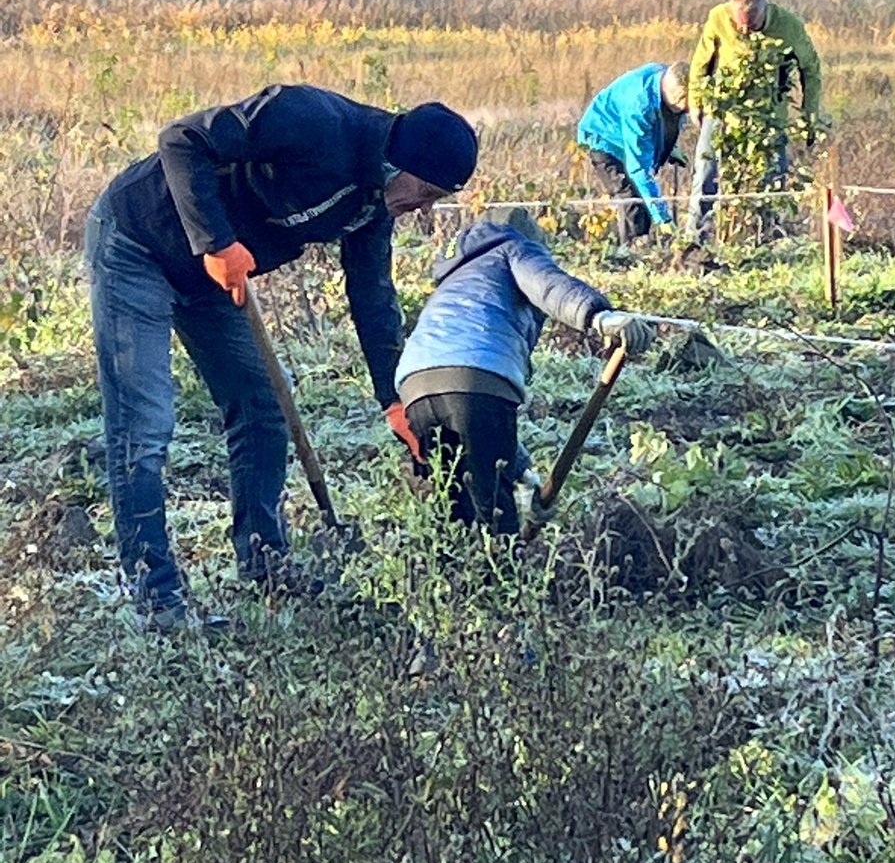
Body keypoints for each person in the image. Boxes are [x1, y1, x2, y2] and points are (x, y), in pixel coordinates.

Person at [84, 83, 478, 629]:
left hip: (211, 281)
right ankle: (158, 601)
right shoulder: (310, 119)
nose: (423, 207)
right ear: (399, 162)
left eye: (438, 200)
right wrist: (216, 241)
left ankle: (264, 561)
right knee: (144, 423)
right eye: (427, 191)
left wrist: (395, 398)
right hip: (138, 241)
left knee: (266, 407)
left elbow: (372, 297)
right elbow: (182, 140)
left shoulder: (372, 207)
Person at [395, 207, 655, 537]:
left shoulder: (455, 278)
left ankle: (457, 585)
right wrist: (600, 317)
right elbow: (548, 286)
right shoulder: (513, 247)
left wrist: (523, 474)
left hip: (415, 388)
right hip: (477, 377)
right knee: (495, 516)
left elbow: (481, 427)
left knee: (453, 515)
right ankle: (503, 581)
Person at [686, 0, 822, 241]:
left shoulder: (789, 26)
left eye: (753, 23)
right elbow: (700, 63)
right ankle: (695, 238)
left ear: (764, 11)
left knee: (773, 176)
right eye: (740, 25)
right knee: (705, 172)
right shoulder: (718, 17)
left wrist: (809, 117)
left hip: (768, 115)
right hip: (723, 109)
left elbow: (811, 70)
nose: (746, 30)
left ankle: (767, 236)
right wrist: (695, 102)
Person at [577, 62, 690, 245]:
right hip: (603, 137)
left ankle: (641, 247)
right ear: (678, 95)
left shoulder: (666, 83)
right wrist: (663, 218)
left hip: (627, 131)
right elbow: (638, 170)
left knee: (643, 199)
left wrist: (668, 147)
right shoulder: (640, 105)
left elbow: (662, 122)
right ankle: (631, 254)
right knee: (631, 199)